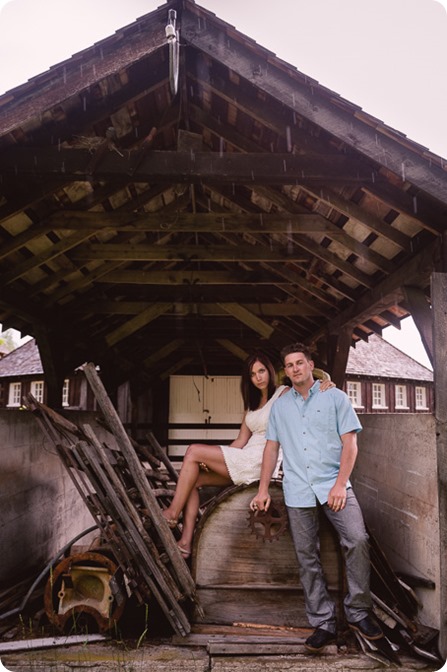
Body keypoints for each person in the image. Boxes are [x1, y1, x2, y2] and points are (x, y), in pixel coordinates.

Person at [250, 342, 383, 654]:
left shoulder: (334, 396)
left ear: (310, 365)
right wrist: (262, 488)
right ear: (286, 371)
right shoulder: (281, 406)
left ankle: (359, 613)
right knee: (306, 555)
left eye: (300, 363)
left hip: (334, 486)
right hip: (297, 489)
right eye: (290, 365)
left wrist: (339, 485)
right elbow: (271, 447)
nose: (295, 369)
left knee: (357, 539)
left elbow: (350, 445)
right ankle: (323, 621)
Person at [162, 350, 334, 558]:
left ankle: (171, 514)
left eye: (261, 371)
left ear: (270, 371)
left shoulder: (283, 393)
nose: (258, 377)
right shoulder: (251, 406)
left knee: (192, 451)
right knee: (194, 478)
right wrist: (217, 458)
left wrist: (327, 382)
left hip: (262, 460)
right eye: (253, 374)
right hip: (245, 456)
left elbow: (307, 387)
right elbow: (240, 441)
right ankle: (186, 542)